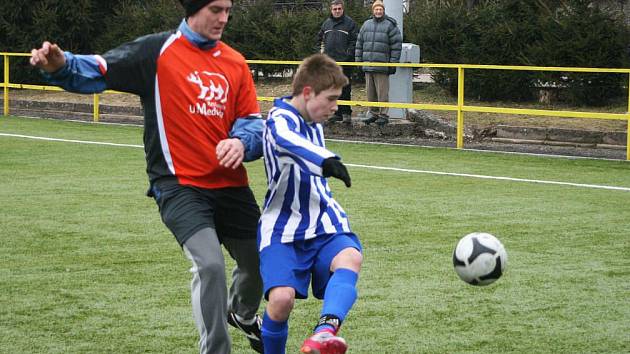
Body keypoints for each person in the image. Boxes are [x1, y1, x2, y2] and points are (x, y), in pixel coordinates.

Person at [30, 1, 265, 353]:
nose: (224, 18)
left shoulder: (234, 62)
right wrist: (62, 66)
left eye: (228, 10)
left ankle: (244, 314)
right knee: (211, 267)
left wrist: (241, 142)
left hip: (230, 185)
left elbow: (251, 122)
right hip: (179, 185)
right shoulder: (157, 52)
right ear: (193, 8)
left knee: (262, 260)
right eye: (215, 9)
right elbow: (101, 68)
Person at [257, 53, 363, 354]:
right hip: (281, 227)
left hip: (322, 220)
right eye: (330, 99)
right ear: (307, 93)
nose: (335, 107)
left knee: (350, 258)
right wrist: (326, 160)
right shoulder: (279, 119)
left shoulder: (313, 117)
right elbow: (286, 138)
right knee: (280, 301)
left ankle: (324, 332)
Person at [355, 0, 402, 126]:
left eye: (380, 9)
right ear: (373, 10)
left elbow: (396, 46)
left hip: (382, 66)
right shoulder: (366, 24)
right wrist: (358, 62)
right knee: (370, 93)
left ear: (383, 10)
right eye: (376, 9)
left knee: (382, 93)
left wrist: (393, 64)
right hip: (368, 65)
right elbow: (359, 44)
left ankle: (383, 115)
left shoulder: (390, 25)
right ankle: (373, 113)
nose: (378, 11)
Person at [317, 0, 358, 125]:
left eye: (339, 8)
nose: (337, 11)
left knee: (345, 87)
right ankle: (337, 113)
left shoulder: (350, 23)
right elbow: (318, 40)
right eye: (335, 9)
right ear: (331, 10)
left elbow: (355, 41)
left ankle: (346, 113)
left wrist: (347, 55)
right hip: (329, 63)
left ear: (343, 9)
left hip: (345, 62)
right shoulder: (326, 24)